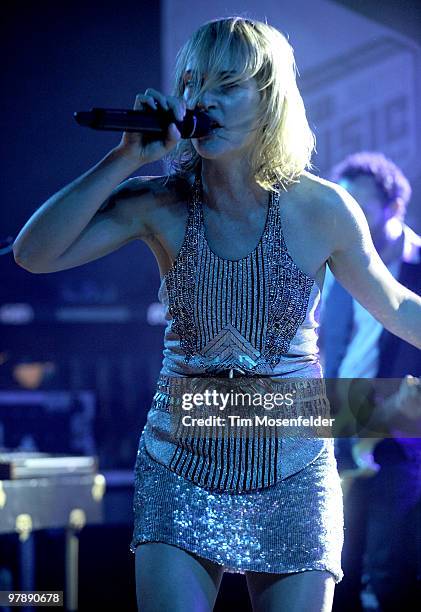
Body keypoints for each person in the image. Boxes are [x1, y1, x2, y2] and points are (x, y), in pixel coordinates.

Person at [12, 17, 421, 612]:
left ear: (270, 99)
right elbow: (33, 253)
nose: (204, 98)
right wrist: (123, 159)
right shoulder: (159, 202)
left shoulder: (323, 208)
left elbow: (397, 304)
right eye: (194, 82)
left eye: (227, 83)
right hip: (183, 458)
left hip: (294, 462)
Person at [321, 152, 421, 612]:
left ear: (393, 206)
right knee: (336, 574)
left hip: (402, 436)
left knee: (392, 572)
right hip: (340, 426)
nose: (350, 217)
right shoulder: (336, 268)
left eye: (360, 205)